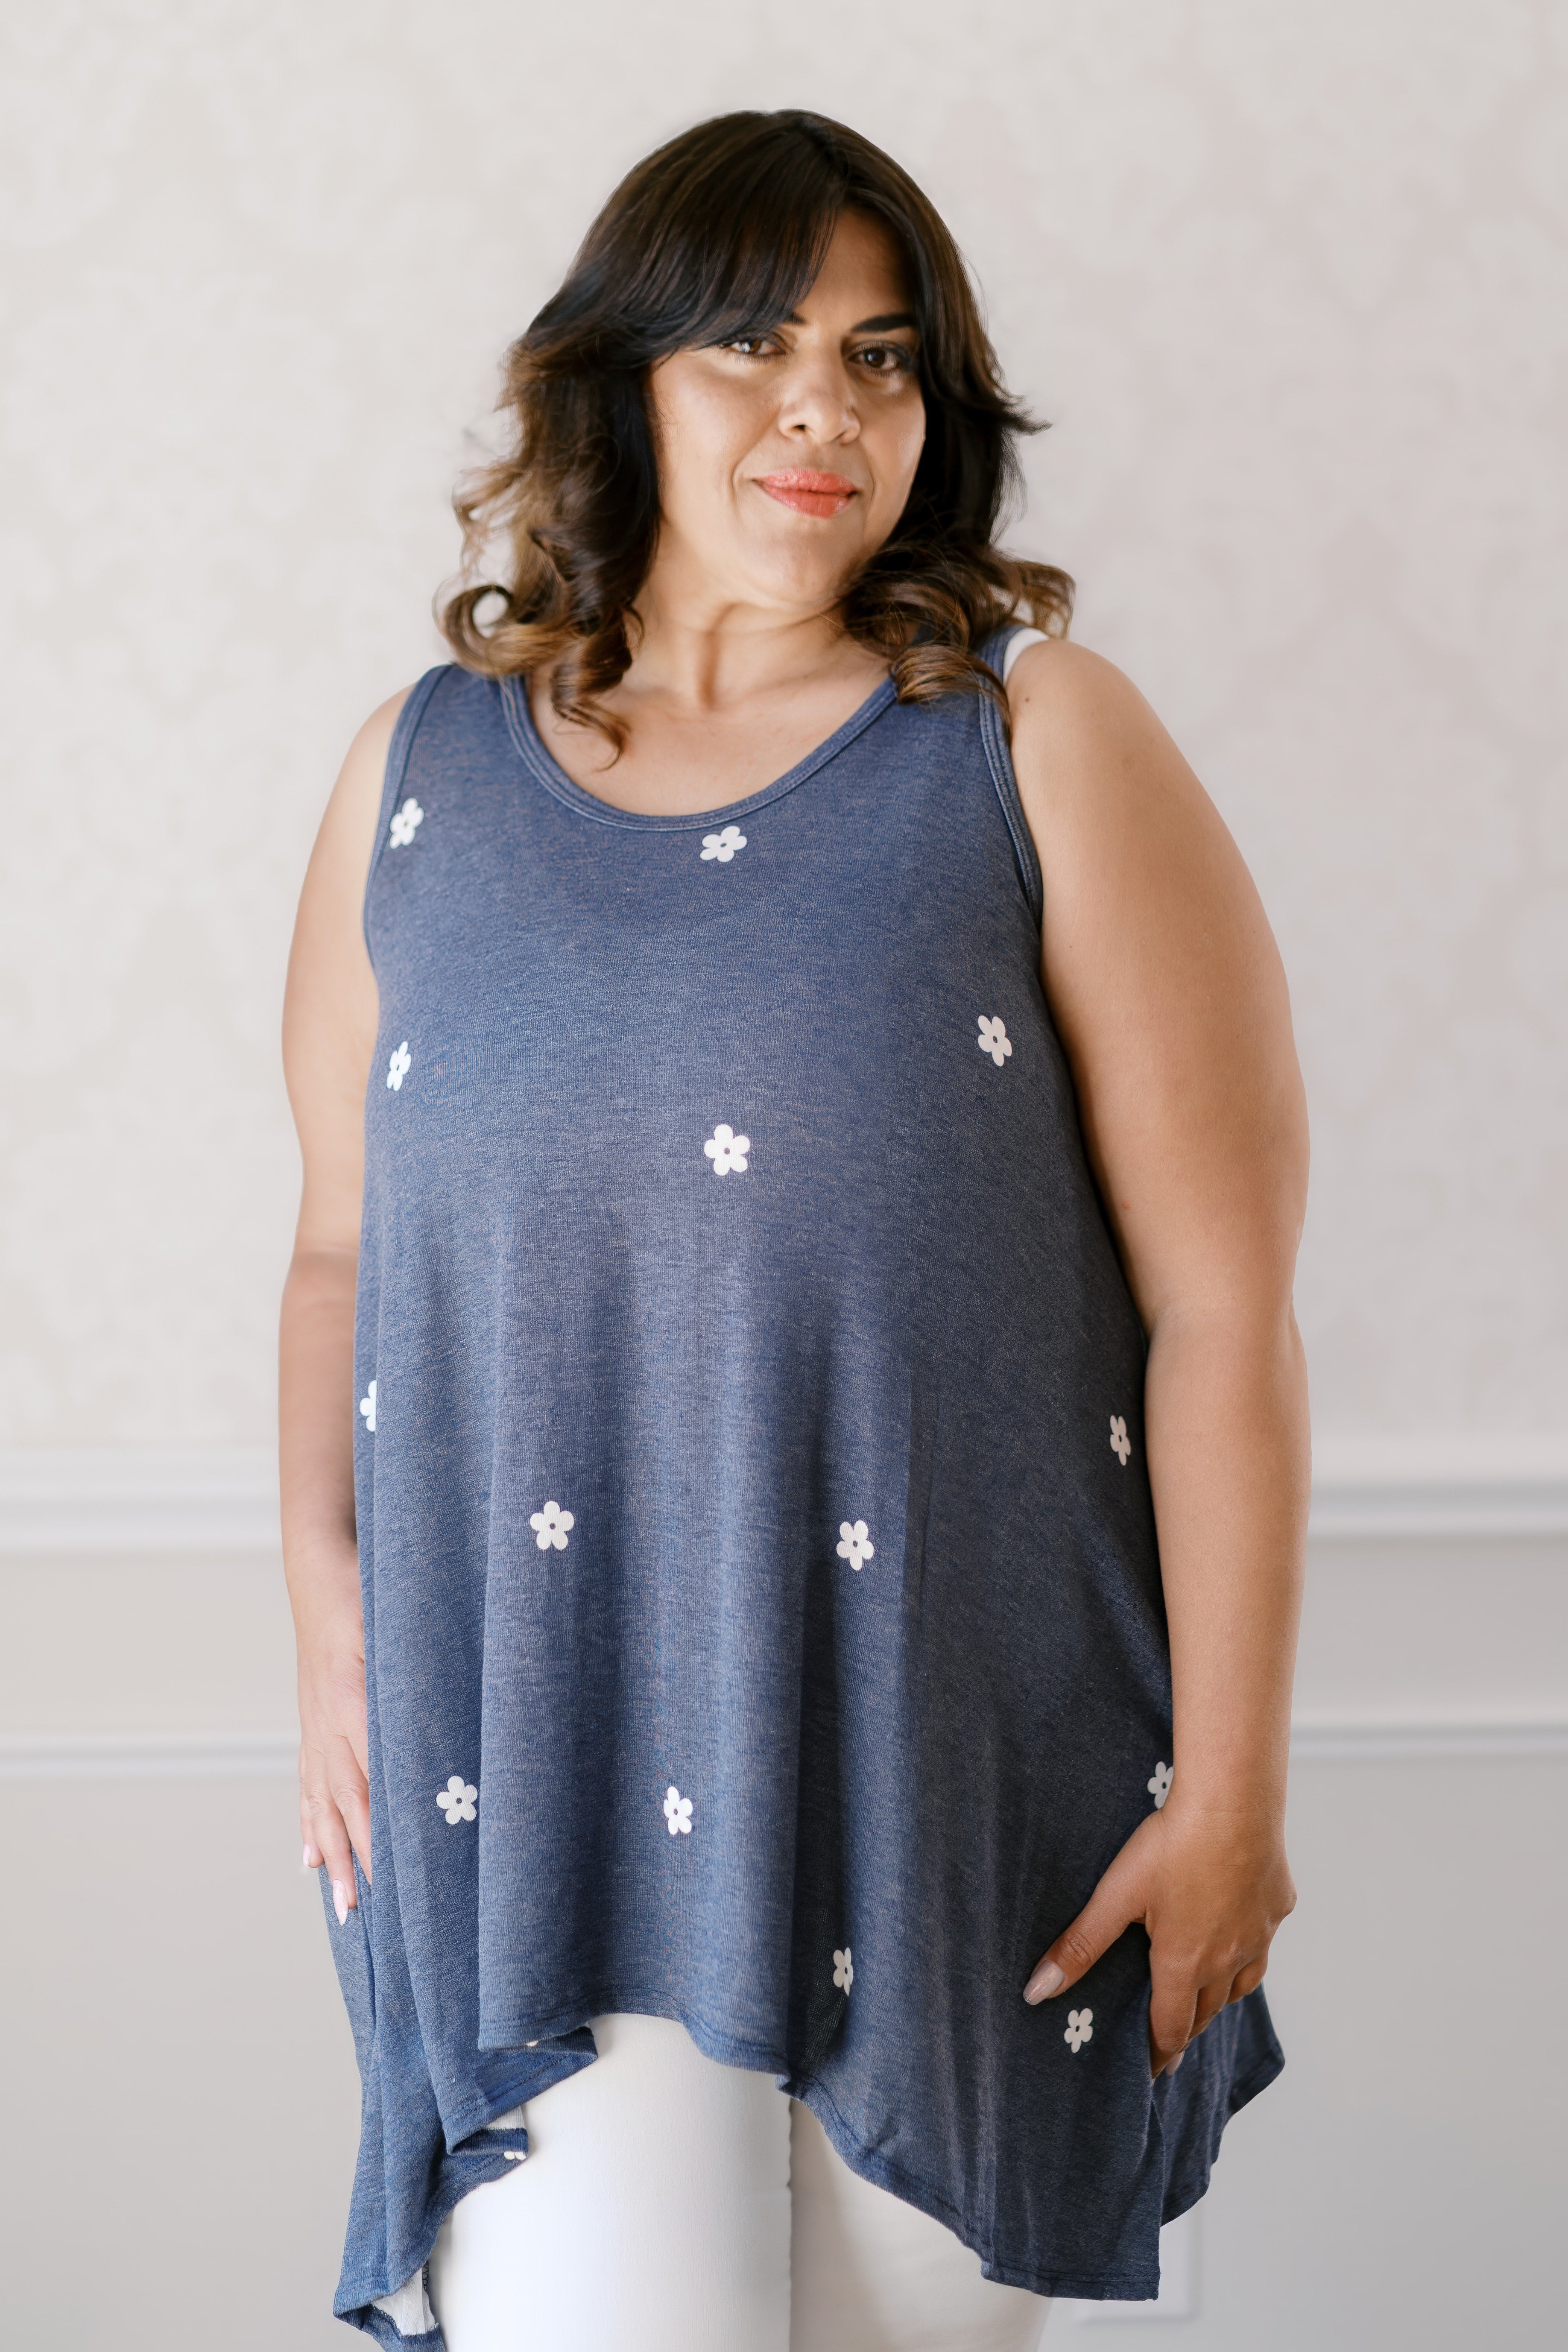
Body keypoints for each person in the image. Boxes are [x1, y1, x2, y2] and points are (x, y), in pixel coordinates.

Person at [280, 108, 1308, 2352]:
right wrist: (326, 1605)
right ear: (622, 379)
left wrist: (1234, 1784)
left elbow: (1221, 1306)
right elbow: (341, 1251)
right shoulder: (415, 777)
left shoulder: (1036, 742)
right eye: (751, 345)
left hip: (969, 1787)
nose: (823, 407)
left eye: (880, 355)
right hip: (535, 1777)